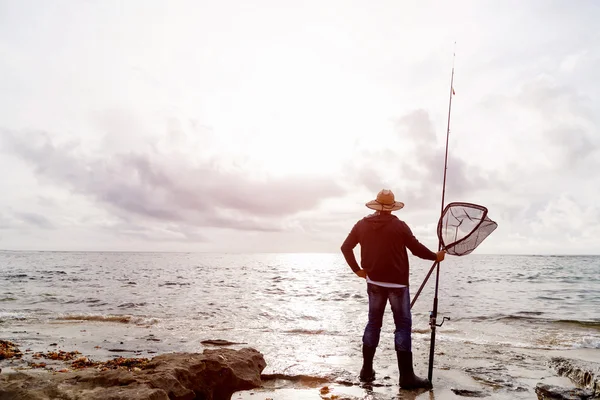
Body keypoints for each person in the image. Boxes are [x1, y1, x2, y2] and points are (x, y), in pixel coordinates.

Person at [340, 189, 445, 389]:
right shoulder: (399, 225)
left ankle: (366, 371)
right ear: (391, 207)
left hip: (374, 283)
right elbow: (416, 249)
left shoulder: (361, 225)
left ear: (376, 205)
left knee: (373, 324)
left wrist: (357, 271)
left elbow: (345, 247)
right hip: (398, 285)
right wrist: (435, 256)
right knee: (403, 326)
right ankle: (406, 377)